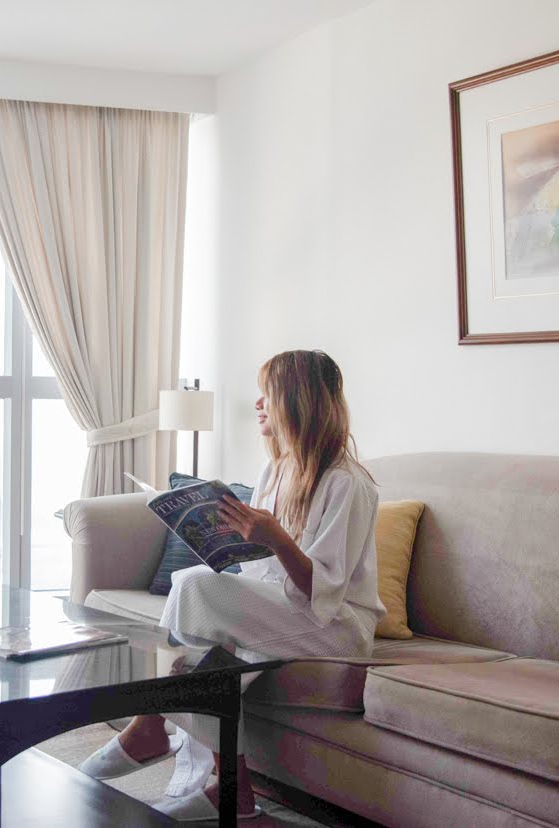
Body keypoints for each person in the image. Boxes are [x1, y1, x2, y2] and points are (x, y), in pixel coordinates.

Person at [78, 349, 386, 822]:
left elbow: (323, 590)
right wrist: (217, 539)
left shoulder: (347, 484)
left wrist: (275, 538)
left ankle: (150, 724)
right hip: (284, 610)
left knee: (193, 587)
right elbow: (257, 572)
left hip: (337, 625)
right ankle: (233, 793)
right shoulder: (274, 471)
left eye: (268, 394)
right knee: (208, 653)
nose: (258, 404)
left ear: (296, 401)